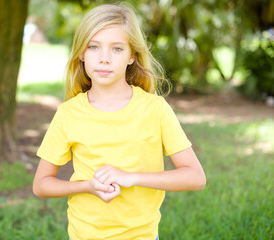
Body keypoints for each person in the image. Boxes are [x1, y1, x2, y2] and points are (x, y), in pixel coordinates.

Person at [33, 3, 206, 240]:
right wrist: (87, 186)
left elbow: (195, 177)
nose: (104, 58)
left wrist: (131, 177)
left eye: (116, 49)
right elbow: (41, 185)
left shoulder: (155, 110)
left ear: (131, 55)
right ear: (82, 53)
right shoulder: (68, 113)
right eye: (94, 47)